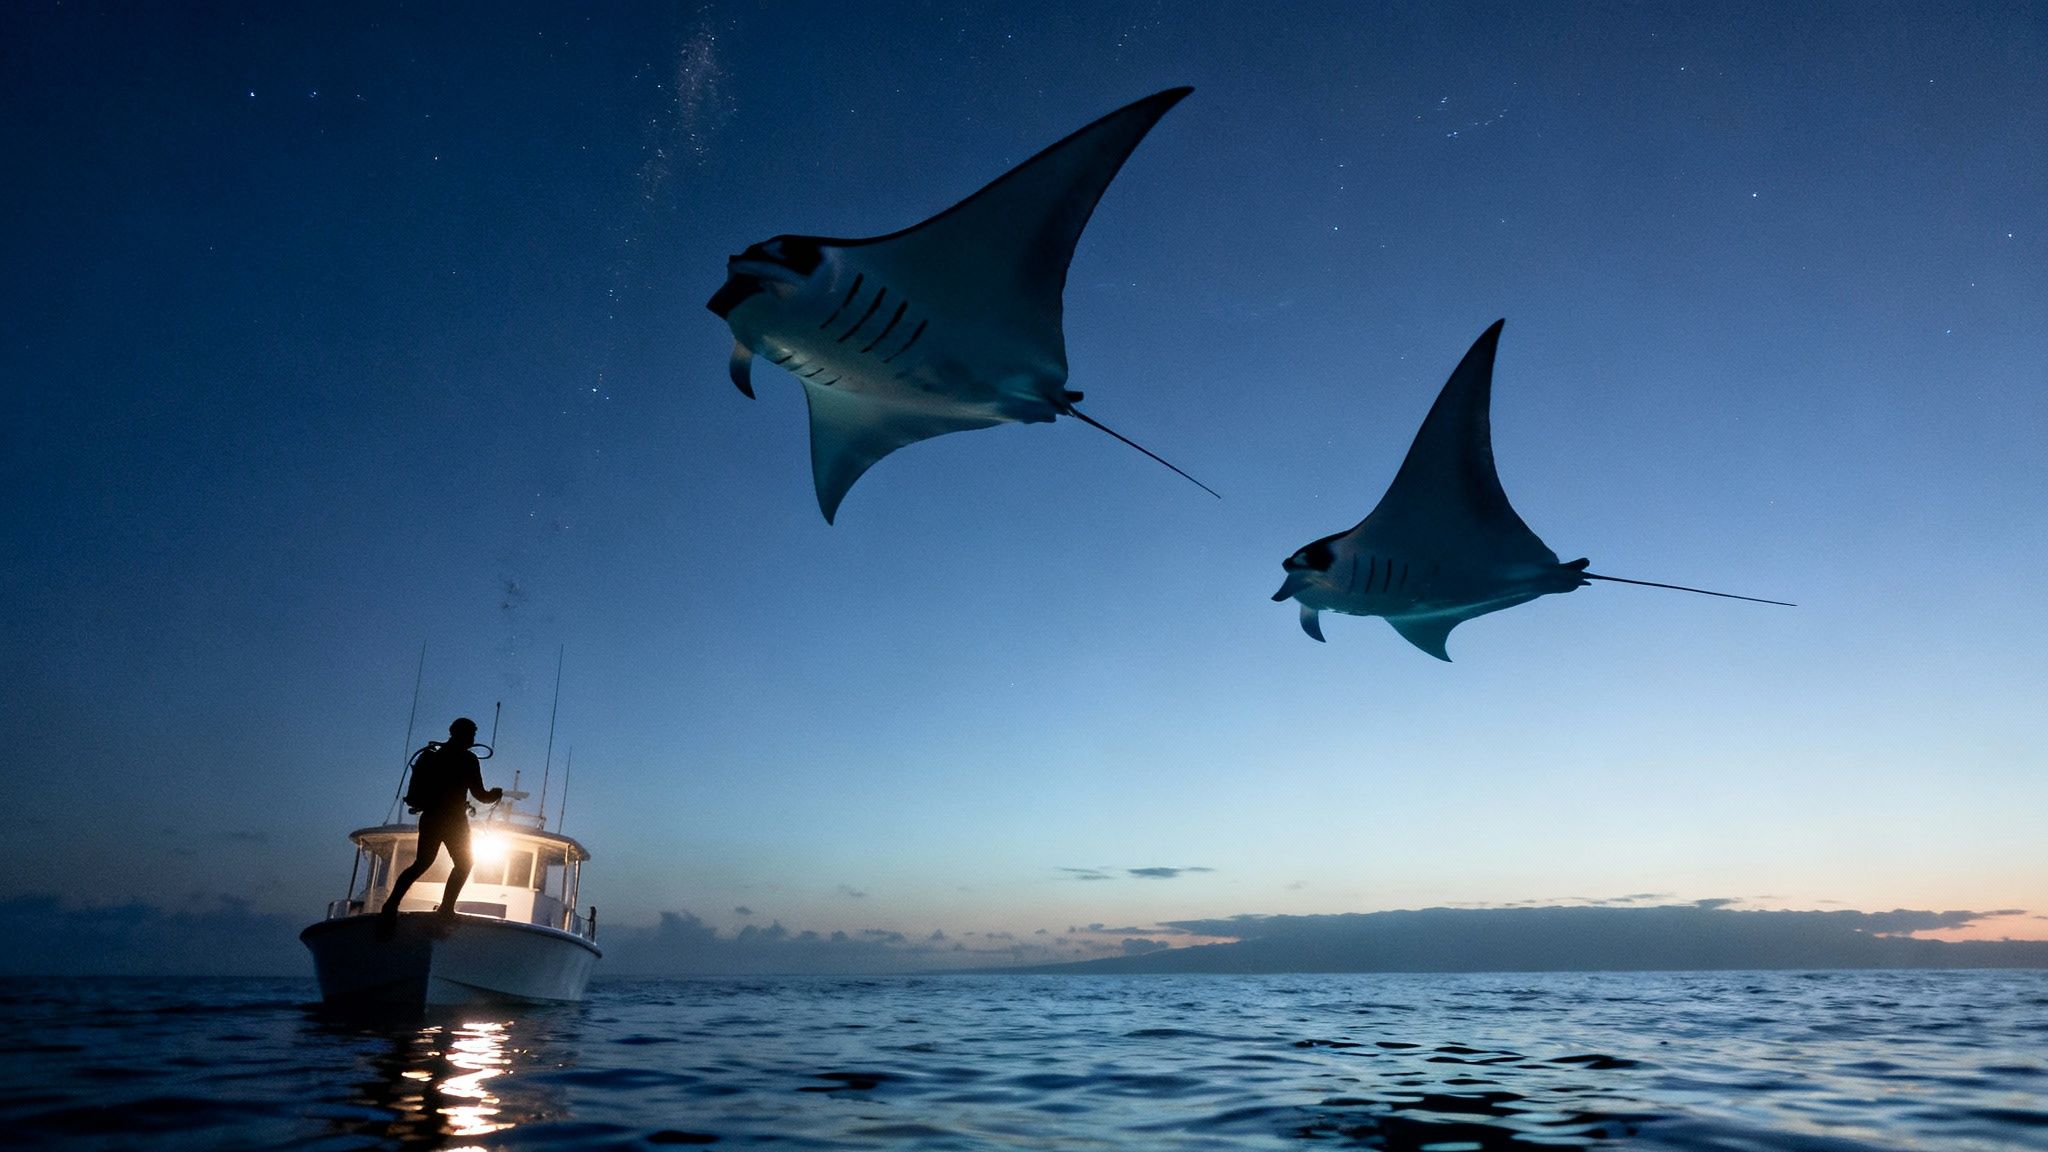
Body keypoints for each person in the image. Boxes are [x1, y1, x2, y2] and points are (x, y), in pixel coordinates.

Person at [377, 717, 503, 937]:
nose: (474, 738)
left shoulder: (433, 756)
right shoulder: (468, 760)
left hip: (431, 818)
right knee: (464, 864)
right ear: (462, 734)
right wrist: (495, 794)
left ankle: (390, 906)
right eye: (472, 734)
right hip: (454, 821)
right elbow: (480, 795)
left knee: (422, 863)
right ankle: (446, 908)